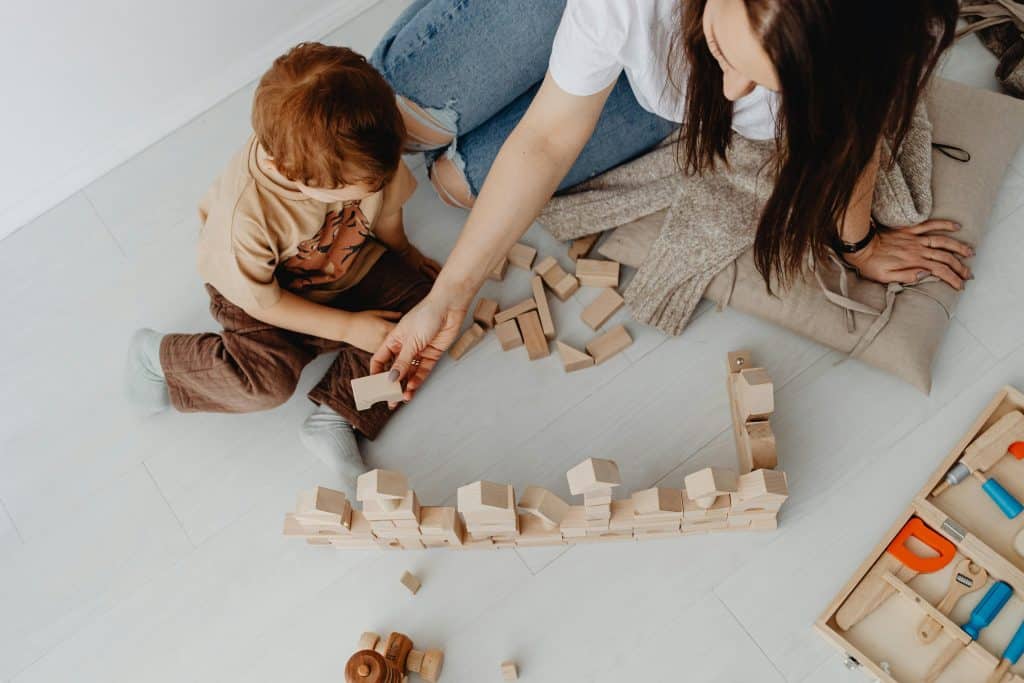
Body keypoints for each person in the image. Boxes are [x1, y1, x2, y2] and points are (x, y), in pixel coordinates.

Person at [369, 0, 971, 399]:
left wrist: (859, 242)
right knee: (399, 121)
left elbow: (852, 140)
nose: (735, 95)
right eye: (726, 56)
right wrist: (451, 292)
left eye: (763, 83)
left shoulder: (878, 39)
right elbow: (546, 137)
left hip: (652, 48)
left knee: (458, 184)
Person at [125, 43, 440, 497]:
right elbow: (264, 299)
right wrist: (350, 327)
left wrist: (406, 254)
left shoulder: (367, 154)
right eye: (358, 186)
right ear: (294, 174)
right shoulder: (246, 215)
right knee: (265, 384)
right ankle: (157, 358)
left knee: (428, 306)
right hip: (255, 295)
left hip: (341, 265)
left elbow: (387, 215)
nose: (377, 184)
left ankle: (337, 414)